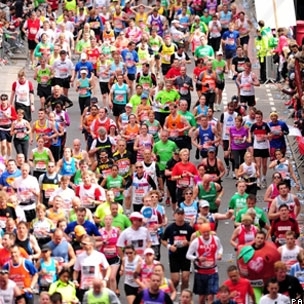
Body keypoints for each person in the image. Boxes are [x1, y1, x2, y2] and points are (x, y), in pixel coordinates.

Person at [186, 223, 223, 304]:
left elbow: (220, 248)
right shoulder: (196, 242)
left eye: (207, 232)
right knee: (202, 297)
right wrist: (197, 258)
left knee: (211, 295)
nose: (206, 234)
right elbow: (188, 255)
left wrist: (220, 254)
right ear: (201, 232)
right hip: (201, 271)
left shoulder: (216, 239)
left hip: (213, 270)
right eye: (204, 232)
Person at [162, 208, 193, 293]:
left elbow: (194, 241)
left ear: (184, 215)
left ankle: (184, 296)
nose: (180, 216)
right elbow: (163, 240)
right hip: (174, 255)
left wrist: (188, 243)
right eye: (178, 214)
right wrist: (169, 246)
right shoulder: (170, 228)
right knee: (175, 279)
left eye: (182, 214)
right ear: (174, 215)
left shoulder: (189, 228)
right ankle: (172, 293)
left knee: (185, 278)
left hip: (185, 255)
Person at [73, 235, 110, 302]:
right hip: (84, 287)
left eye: (85, 244)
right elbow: (76, 270)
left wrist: (105, 279)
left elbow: (108, 268)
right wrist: (75, 280)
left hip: (96, 287)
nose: (82, 245)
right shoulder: (80, 256)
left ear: (91, 244)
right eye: (82, 243)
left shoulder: (99, 255)